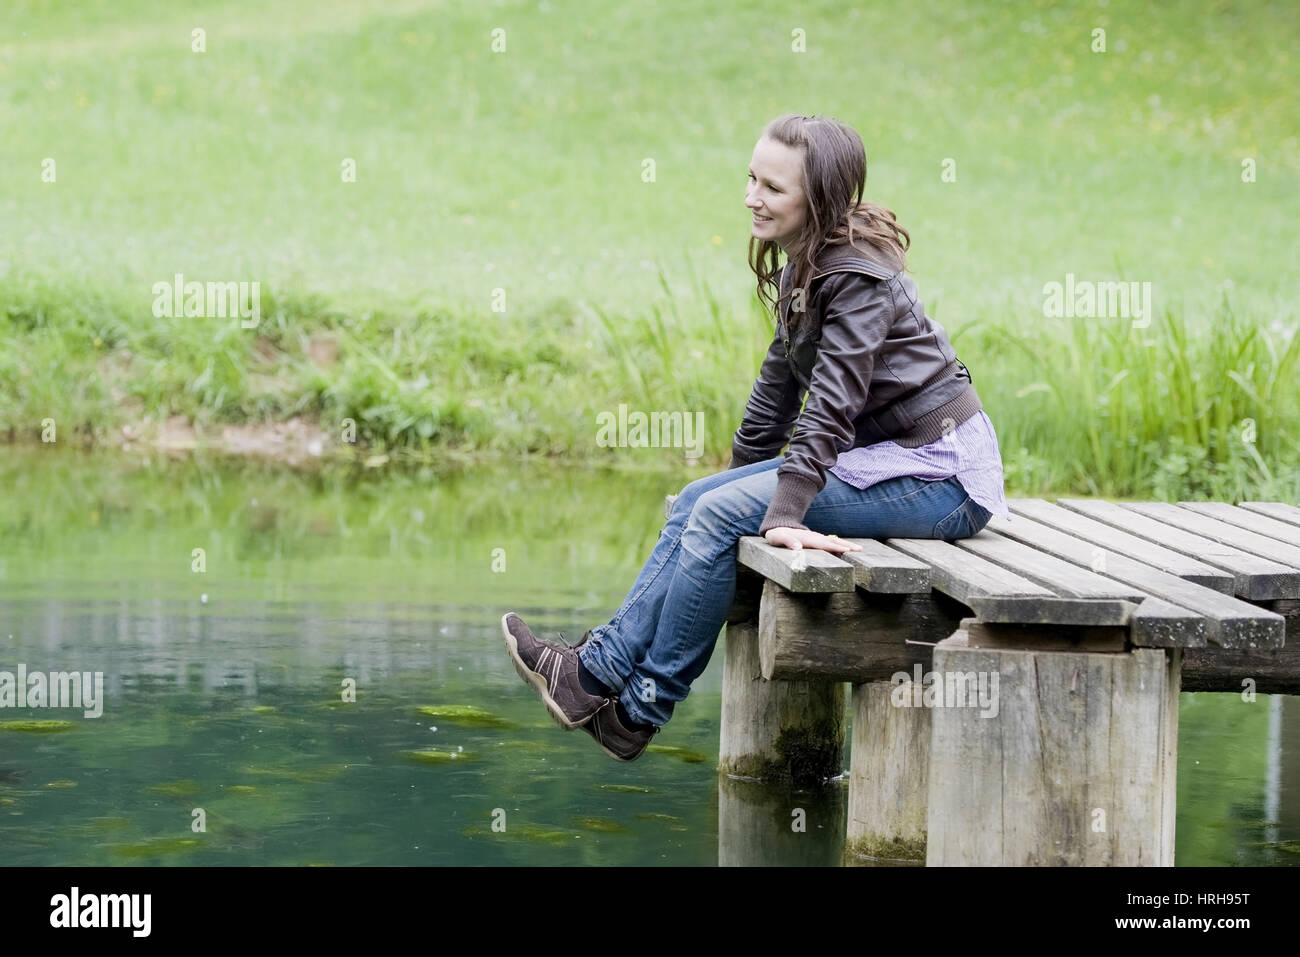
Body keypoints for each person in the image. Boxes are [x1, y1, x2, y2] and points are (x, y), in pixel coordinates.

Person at [502, 113, 1010, 762]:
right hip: (891, 462)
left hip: (941, 477)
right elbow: (778, 386)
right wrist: (742, 481)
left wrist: (780, 506)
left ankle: (637, 709)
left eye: (772, 187)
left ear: (819, 198)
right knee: (697, 500)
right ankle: (591, 677)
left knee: (716, 515)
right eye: (750, 179)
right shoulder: (811, 260)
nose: (751, 197)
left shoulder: (856, 277)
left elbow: (832, 400)